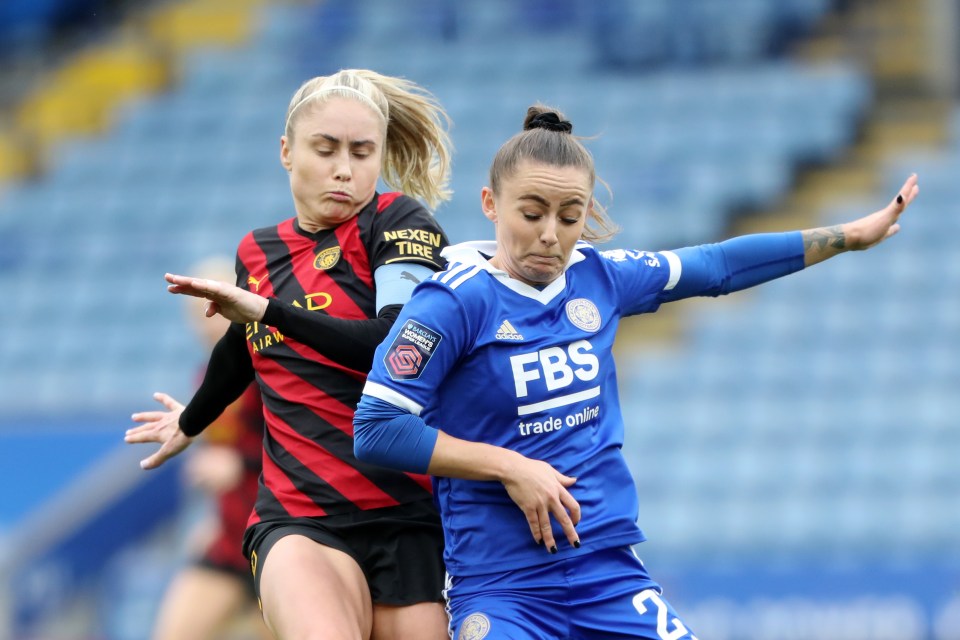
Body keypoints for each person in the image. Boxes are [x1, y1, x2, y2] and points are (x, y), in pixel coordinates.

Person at [352, 105, 920, 639]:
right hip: (503, 589)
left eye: (570, 216)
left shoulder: (600, 278)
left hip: (610, 574)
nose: (551, 233)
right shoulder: (451, 304)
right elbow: (376, 428)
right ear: (490, 203)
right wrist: (508, 466)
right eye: (532, 213)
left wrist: (846, 238)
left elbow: (715, 266)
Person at [126, 69, 455, 640]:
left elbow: (396, 347)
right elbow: (242, 347)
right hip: (298, 515)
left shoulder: (399, 222)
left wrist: (267, 311)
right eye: (325, 149)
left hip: (406, 515)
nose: (344, 169)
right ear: (286, 151)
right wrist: (192, 418)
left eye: (362, 152)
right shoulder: (257, 252)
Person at [147, 256, 269, 640]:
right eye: (194, 309)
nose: (204, 318)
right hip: (230, 537)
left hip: (278, 536)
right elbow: (226, 449)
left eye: (209, 304)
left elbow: (304, 445)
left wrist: (242, 466)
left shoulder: (269, 368)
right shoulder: (206, 376)